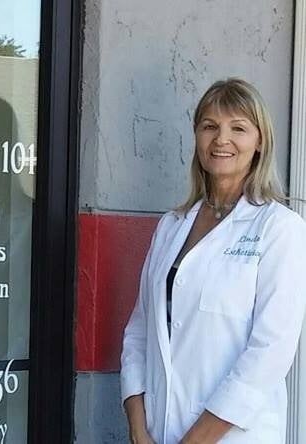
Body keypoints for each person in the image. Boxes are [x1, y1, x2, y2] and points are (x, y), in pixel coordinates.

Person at [120, 78, 306, 444]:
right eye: (210, 126)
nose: (221, 139)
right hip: (157, 430)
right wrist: (138, 429)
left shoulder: (280, 228)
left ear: (260, 142)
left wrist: (194, 441)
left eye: (238, 128)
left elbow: (269, 353)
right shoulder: (172, 225)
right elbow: (139, 332)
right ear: (197, 137)